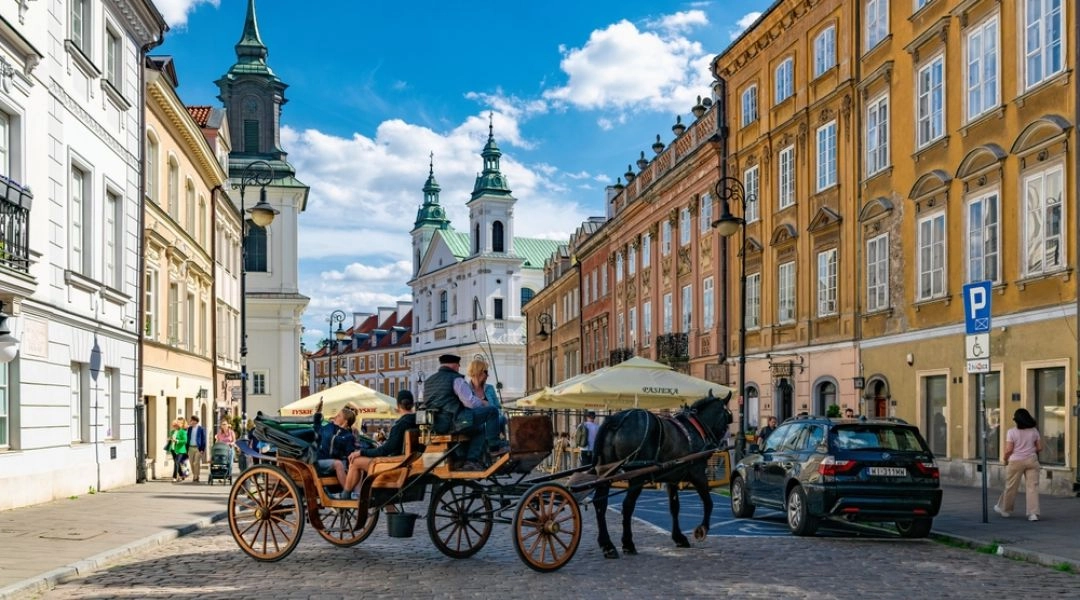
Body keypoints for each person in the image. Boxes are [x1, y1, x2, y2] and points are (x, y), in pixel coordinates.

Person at [424, 354, 502, 471]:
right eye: (459, 365)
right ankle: (493, 448)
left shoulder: (429, 381)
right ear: (455, 365)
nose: (459, 367)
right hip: (453, 421)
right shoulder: (455, 379)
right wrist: (483, 403)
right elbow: (470, 402)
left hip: (436, 424)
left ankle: (463, 458)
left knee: (479, 429)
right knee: (492, 411)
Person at [343, 390, 418, 496]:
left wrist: (361, 452)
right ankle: (388, 508)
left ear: (398, 405)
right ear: (412, 404)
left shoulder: (400, 425)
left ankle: (345, 496)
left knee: (355, 461)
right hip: (409, 462)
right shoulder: (418, 421)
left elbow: (385, 450)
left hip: (396, 464)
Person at [995, 408, 1043, 521]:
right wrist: (1030, 450)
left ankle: (1005, 510)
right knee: (1032, 487)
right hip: (1031, 460)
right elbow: (1040, 448)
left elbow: (1009, 449)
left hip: (1015, 461)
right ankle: (1033, 514)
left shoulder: (1011, 432)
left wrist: (1005, 459)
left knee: (1011, 486)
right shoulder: (1034, 431)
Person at [313, 401, 357, 489]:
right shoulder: (328, 427)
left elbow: (349, 454)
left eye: (339, 415)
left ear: (345, 421)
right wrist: (318, 412)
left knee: (344, 464)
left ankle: (356, 493)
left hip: (338, 462)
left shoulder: (348, 436)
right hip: (320, 461)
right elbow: (317, 427)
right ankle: (346, 493)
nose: (336, 416)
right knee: (338, 464)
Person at [467, 357, 506, 437]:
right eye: (486, 372)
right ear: (478, 372)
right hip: (475, 422)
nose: (488, 375)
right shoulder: (465, 389)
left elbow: (498, 408)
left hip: (492, 421)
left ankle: (496, 444)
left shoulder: (490, 388)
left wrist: (488, 405)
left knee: (502, 419)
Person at [186, 416, 207, 484]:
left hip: (198, 448)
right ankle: (195, 475)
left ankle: (196, 476)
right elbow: (187, 439)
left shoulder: (200, 429)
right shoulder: (189, 429)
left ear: (195, 421)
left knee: (196, 463)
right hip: (190, 448)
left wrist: (202, 449)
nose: (190, 422)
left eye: (191, 420)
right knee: (191, 463)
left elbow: (203, 439)